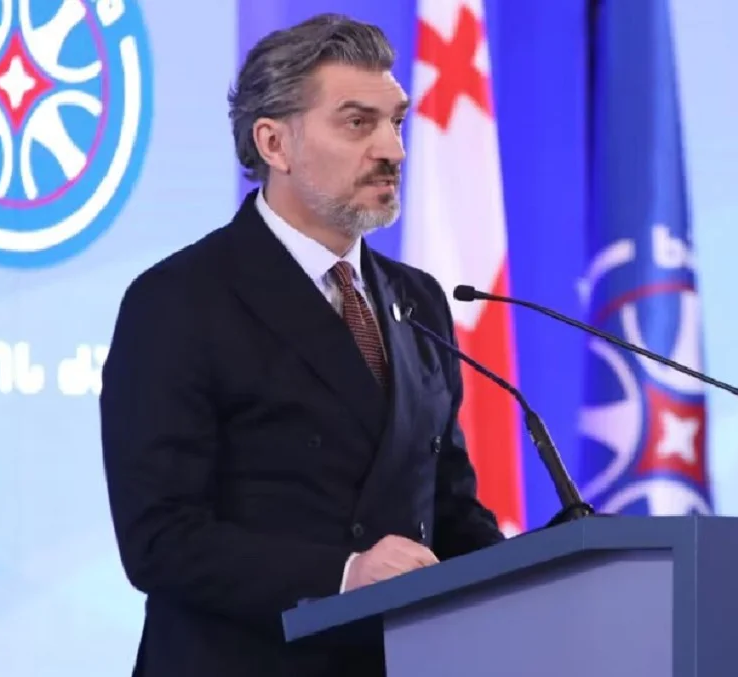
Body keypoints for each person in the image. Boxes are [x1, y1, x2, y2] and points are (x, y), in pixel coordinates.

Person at [99, 13, 506, 677]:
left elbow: (448, 511)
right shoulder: (179, 299)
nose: (393, 149)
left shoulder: (420, 300)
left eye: (396, 121)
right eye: (358, 123)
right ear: (274, 143)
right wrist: (343, 574)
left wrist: (547, 571)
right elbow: (161, 538)